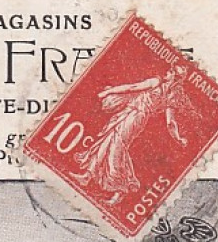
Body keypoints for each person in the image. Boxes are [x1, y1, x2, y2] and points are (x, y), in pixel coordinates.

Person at [71, 64, 191, 206]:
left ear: (175, 79)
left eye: (171, 71)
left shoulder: (157, 84)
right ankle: (88, 174)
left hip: (135, 117)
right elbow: (170, 122)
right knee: (107, 140)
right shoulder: (170, 95)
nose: (167, 71)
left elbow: (132, 88)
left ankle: (119, 189)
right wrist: (178, 138)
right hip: (131, 114)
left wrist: (107, 93)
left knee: (116, 148)